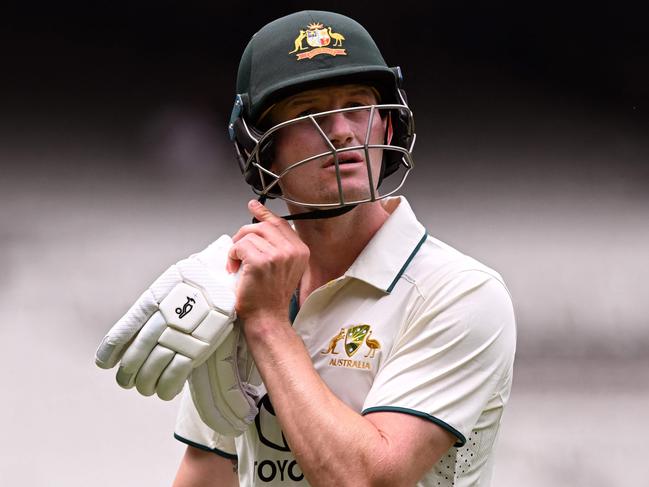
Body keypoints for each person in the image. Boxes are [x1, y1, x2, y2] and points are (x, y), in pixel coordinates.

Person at [172, 10, 516, 487]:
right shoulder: (239, 288)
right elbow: (207, 470)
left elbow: (367, 480)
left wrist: (268, 324)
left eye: (357, 105)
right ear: (262, 149)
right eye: (308, 113)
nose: (342, 131)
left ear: (388, 127)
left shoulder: (461, 294)